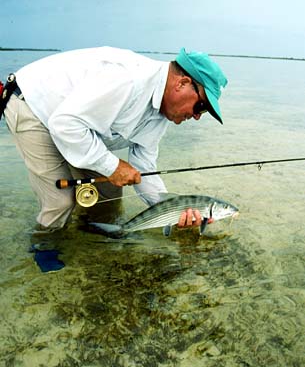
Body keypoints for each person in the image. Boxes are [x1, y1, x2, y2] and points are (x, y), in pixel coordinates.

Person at [3, 46, 228, 233]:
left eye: (205, 111)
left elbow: (144, 166)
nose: (197, 116)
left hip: (77, 126)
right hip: (34, 107)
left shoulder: (162, 115)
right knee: (60, 202)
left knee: (109, 193)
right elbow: (65, 124)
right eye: (201, 105)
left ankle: (91, 235)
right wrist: (112, 166)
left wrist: (169, 211)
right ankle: (44, 250)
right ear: (181, 83)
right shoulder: (129, 80)